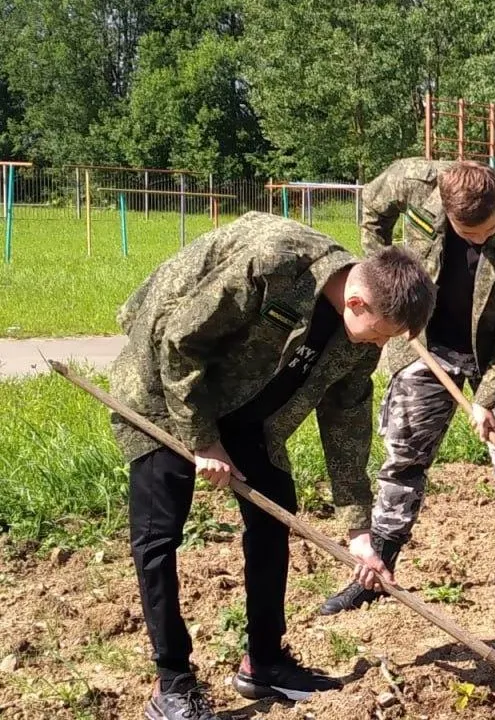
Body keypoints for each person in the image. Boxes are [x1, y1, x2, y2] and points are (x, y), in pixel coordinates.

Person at [107, 211, 435, 720]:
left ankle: (263, 663)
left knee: (274, 512)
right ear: (356, 301)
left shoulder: (360, 335)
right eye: (379, 334)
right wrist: (202, 442)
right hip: (164, 390)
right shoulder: (276, 265)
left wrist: (357, 530)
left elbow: (346, 420)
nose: (380, 345)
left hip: (244, 402)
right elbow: (178, 339)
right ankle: (171, 682)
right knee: (158, 534)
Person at [318, 158, 495, 629]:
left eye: (489, 232)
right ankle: (376, 569)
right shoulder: (417, 182)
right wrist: (385, 287)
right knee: (403, 458)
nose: (482, 240)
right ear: (447, 211)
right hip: (427, 346)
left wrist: (487, 396)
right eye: (471, 235)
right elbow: (372, 207)